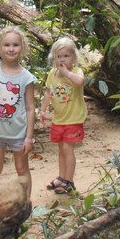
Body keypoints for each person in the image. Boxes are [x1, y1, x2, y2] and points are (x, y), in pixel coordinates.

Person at [0, 26, 36, 199]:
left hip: (19, 133)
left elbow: (30, 108)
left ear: (22, 48)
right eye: (7, 45)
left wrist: (29, 137)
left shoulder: (26, 77)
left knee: (21, 169)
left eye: (16, 45)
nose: (11, 49)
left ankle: (24, 204)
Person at [38, 37, 87, 194]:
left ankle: (69, 181)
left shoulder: (76, 72)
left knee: (68, 149)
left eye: (66, 56)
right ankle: (61, 177)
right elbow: (48, 92)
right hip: (59, 119)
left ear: (73, 58)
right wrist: (43, 110)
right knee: (61, 150)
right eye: (59, 56)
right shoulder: (52, 74)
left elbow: (80, 81)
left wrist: (66, 72)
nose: (62, 60)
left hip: (73, 118)